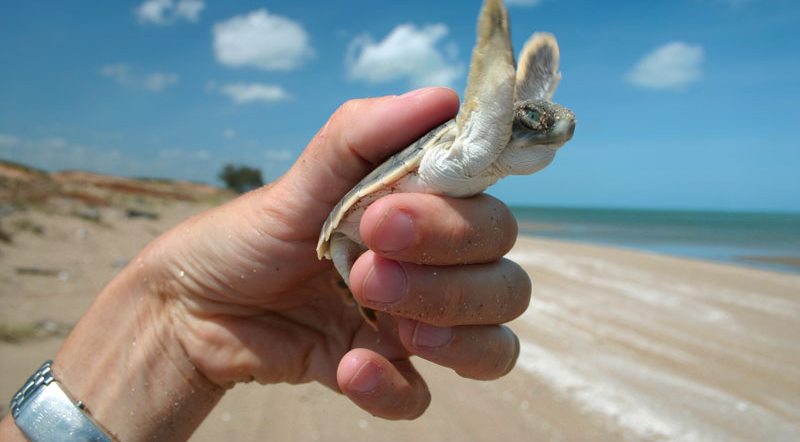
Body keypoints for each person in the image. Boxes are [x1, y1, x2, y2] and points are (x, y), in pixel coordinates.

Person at [1, 87, 531, 441]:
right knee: (379, 262)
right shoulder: (482, 137)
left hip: (356, 245)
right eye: (532, 119)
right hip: (352, 228)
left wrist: (174, 336)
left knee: (385, 275)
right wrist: (174, 318)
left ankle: (366, 294)